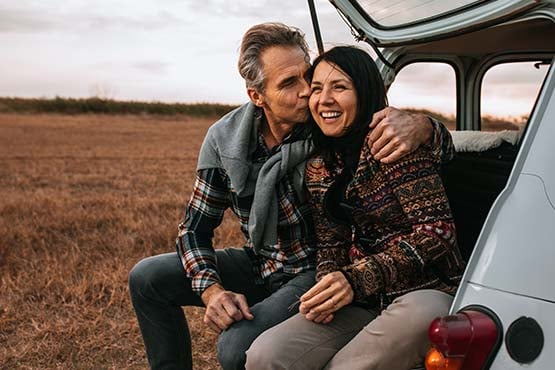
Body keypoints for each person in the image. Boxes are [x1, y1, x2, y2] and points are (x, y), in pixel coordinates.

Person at [128, 24, 454, 370]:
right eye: (290, 83)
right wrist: (212, 291)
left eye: (307, 78)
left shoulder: (328, 124)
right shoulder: (225, 140)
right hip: (263, 259)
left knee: (235, 347)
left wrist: (426, 127)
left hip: (309, 267)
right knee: (147, 277)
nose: (308, 94)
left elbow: (391, 132)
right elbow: (194, 229)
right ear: (257, 96)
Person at [245, 46, 465, 370]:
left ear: (365, 92)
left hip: (425, 293)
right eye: (317, 89)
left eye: (340, 87)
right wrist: (329, 287)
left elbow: (438, 233)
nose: (324, 99)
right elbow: (331, 242)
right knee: (265, 355)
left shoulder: (394, 143)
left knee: (348, 365)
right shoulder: (319, 166)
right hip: (361, 301)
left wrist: (356, 279)